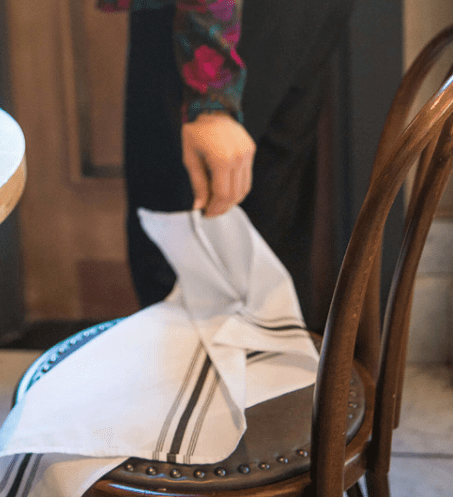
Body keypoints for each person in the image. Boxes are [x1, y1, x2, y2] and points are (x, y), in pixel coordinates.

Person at [98, 0, 354, 325]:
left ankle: (203, 372)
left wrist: (211, 98)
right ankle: (268, 371)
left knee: (177, 257)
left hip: (217, 18)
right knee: (269, 240)